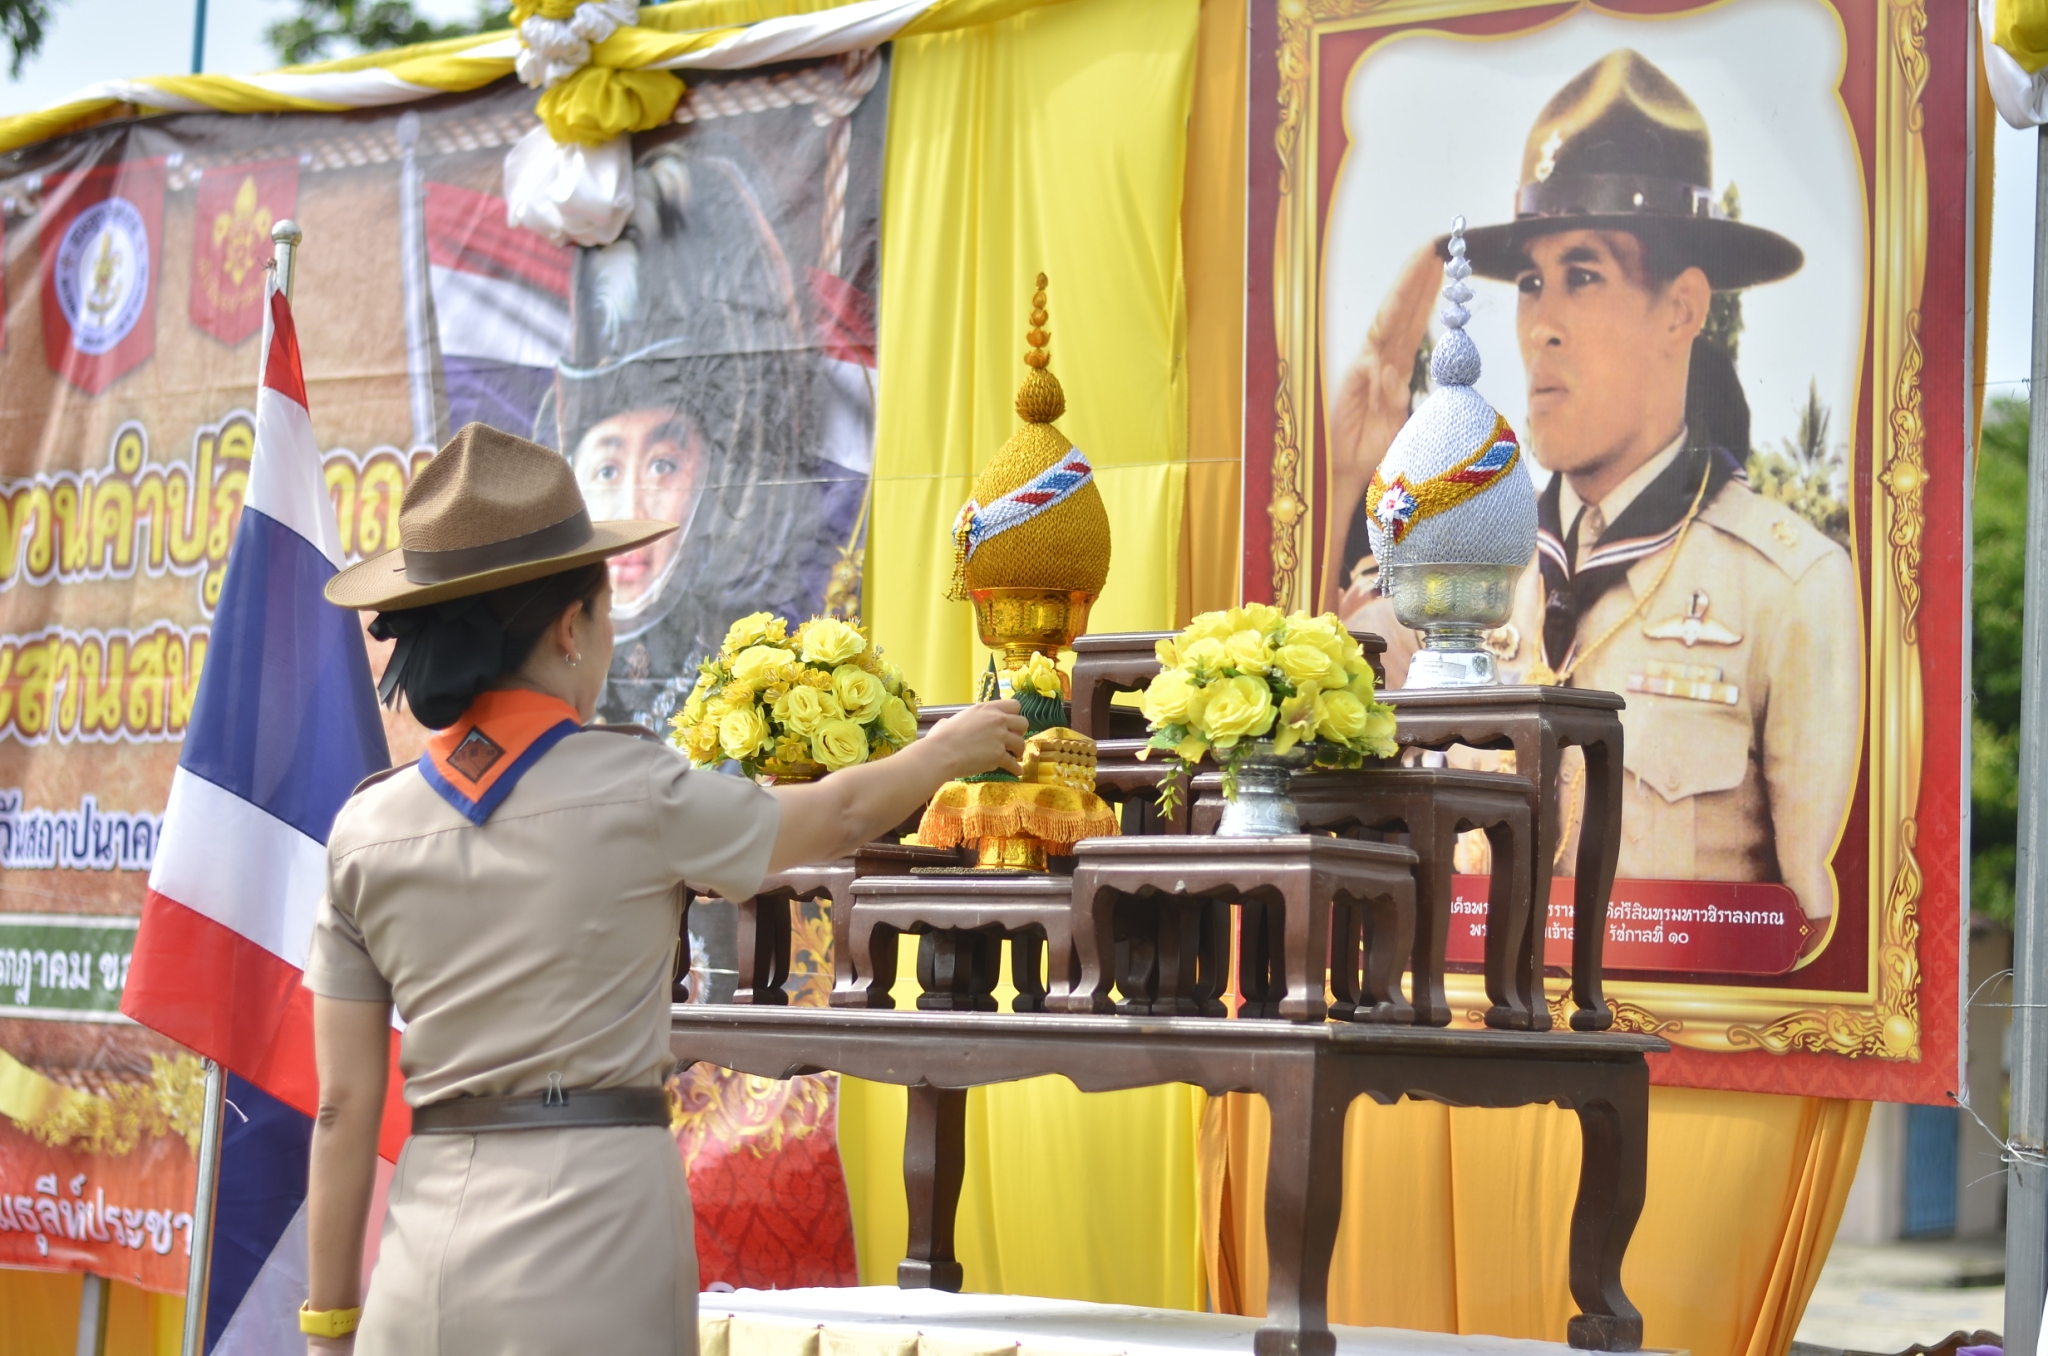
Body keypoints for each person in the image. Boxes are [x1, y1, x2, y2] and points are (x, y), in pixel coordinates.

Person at [301, 422, 1025, 1355]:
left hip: (423, 1268)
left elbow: (342, 1107)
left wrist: (329, 1328)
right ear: (570, 628)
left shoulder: (365, 830)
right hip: (597, 1243)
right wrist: (944, 750)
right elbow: (837, 816)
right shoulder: (638, 791)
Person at [1329, 49, 1860, 930]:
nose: (1541, 325)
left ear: (1682, 309)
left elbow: (1805, 927)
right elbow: (1320, 737)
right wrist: (1350, 471)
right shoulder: (1471, 562)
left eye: (1582, 275)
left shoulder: (1788, 590)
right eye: (1531, 283)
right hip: (1467, 1013)